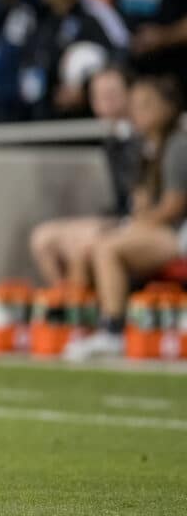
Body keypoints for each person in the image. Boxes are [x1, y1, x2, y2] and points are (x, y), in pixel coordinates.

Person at [65, 74, 187, 360]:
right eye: (134, 105)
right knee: (91, 247)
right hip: (162, 229)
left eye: (146, 104)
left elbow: (172, 208)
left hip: (179, 232)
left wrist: (135, 224)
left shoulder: (178, 145)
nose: (137, 112)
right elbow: (141, 202)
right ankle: (81, 324)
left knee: (109, 247)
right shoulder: (145, 148)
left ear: (168, 107)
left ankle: (112, 331)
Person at [29, 65, 138, 288]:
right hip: (117, 216)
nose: (104, 102)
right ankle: (66, 304)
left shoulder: (144, 136)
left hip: (137, 221)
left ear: (130, 95)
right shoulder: (109, 138)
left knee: (81, 246)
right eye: (98, 96)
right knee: (42, 239)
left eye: (111, 94)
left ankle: (80, 313)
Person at [18, 0, 129, 120]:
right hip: (44, 125)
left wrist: (86, 88)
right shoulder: (39, 22)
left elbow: (121, 57)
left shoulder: (96, 13)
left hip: (88, 124)